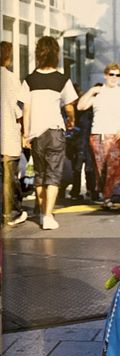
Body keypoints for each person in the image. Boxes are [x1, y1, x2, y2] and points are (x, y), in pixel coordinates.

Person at [22, 36, 78, 230]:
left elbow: (26, 109)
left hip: (36, 133)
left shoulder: (30, 79)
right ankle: (48, 216)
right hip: (54, 130)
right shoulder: (62, 79)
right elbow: (69, 106)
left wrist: (25, 134)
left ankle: (41, 212)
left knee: (40, 174)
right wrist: (71, 119)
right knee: (53, 174)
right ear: (56, 54)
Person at [78, 64, 120, 210]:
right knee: (101, 167)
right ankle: (106, 195)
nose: (114, 78)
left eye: (117, 75)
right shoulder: (98, 92)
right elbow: (80, 106)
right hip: (99, 134)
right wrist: (92, 91)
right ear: (105, 75)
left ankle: (109, 197)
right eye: (111, 74)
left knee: (115, 167)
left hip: (117, 134)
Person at [1, 41, 28, 226]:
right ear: (8, 58)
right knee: (10, 178)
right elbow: (18, 110)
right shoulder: (10, 78)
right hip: (7, 135)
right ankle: (13, 213)